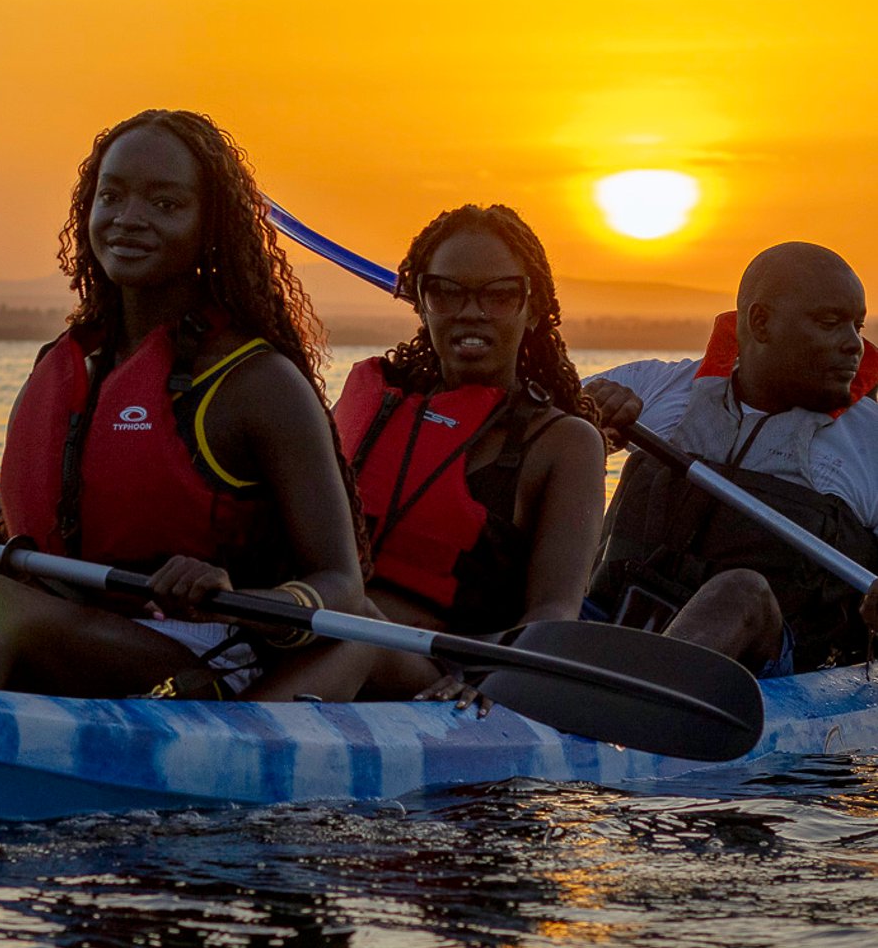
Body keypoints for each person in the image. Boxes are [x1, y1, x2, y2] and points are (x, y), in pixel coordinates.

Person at [0, 109, 365, 698]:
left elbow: (343, 583)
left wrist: (238, 594)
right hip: (43, 623)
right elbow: (4, 538)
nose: (128, 220)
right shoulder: (63, 363)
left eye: (165, 204)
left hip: (189, 656)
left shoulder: (259, 382)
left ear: (211, 227)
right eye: (111, 196)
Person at [256, 203, 606, 709]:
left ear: (533, 308)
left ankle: (234, 745)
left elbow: (554, 609)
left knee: (360, 635)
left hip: (444, 671)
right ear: (421, 302)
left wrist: (498, 675)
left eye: (500, 295)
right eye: (446, 292)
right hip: (314, 628)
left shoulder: (565, 443)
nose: (472, 312)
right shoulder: (374, 405)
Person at [587, 240, 878, 674]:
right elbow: (533, 418)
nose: (854, 345)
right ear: (760, 323)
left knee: (741, 593)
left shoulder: (869, 441)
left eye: (856, 325)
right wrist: (584, 412)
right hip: (612, 622)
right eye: (830, 323)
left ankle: (644, 703)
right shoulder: (656, 389)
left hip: (776, 664)